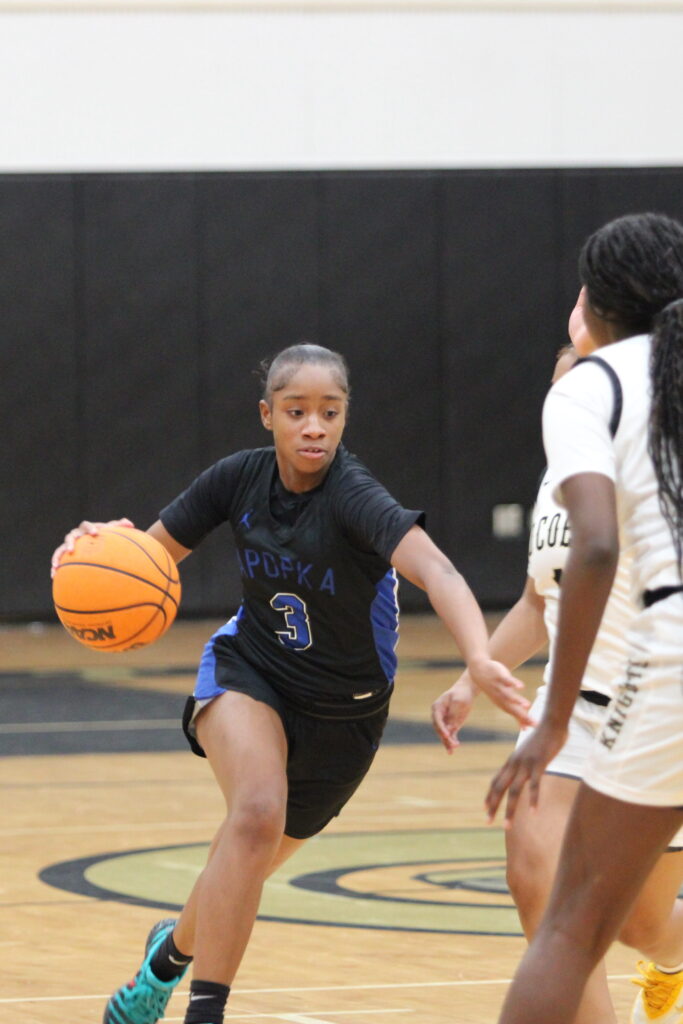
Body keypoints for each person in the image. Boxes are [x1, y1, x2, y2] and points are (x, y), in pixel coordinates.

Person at [52, 343, 532, 1024]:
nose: (313, 427)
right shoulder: (236, 479)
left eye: (328, 412)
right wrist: (93, 549)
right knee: (254, 815)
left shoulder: (354, 496)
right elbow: (148, 555)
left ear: (343, 418)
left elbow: (442, 574)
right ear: (267, 415)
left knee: (240, 869)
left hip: (347, 716)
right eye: (296, 411)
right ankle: (204, 1015)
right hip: (252, 670)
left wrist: (478, 657)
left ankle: (163, 961)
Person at [432, 334, 683, 1024]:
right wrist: (469, 680)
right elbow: (538, 604)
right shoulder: (555, 482)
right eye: (561, 381)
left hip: (656, 710)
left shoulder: (651, 473)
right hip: (570, 710)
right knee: (535, 875)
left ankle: (673, 960)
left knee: (638, 922)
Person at [483, 212, 683, 1024]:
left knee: (570, 929)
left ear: (592, 303)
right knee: (622, 918)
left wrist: (550, 719)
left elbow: (594, 546)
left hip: (661, 660)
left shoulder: (587, 388)